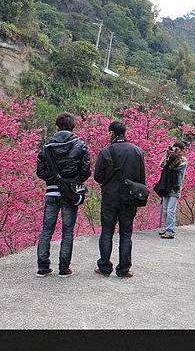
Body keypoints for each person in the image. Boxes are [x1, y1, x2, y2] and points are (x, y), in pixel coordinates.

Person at [35, 112, 91, 277]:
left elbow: (40, 171)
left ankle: (43, 267)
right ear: (72, 126)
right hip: (70, 194)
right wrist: (73, 182)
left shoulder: (46, 146)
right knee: (68, 231)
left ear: (57, 126)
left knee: (46, 230)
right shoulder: (80, 145)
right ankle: (64, 268)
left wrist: (52, 179)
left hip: (51, 192)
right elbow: (86, 171)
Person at [94, 121, 145, 278]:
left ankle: (104, 267)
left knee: (107, 232)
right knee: (126, 233)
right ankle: (123, 269)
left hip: (110, 198)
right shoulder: (137, 151)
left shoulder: (105, 152)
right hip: (129, 198)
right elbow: (141, 179)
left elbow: (97, 176)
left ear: (112, 133)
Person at [158, 142, 187, 239]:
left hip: (175, 187)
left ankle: (170, 231)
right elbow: (162, 165)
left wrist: (172, 157)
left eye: (177, 149)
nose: (175, 151)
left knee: (171, 210)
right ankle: (167, 228)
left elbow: (175, 167)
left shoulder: (183, 160)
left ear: (182, 150)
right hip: (166, 186)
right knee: (165, 209)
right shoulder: (170, 157)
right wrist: (167, 155)